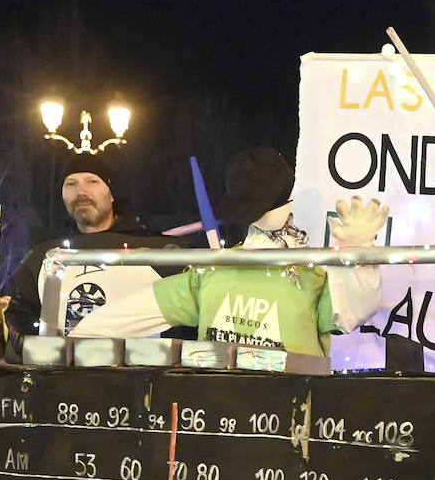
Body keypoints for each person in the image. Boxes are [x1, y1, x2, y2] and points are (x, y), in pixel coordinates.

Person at [72, 147, 384, 354]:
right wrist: (70, 347)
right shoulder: (212, 272)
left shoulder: (309, 275)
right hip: (219, 423)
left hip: (282, 424)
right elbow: (112, 321)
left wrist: (360, 256)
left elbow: (352, 310)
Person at [5, 166, 185, 350]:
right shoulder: (44, 255)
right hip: (66, 375)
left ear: (112, 193)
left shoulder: (156, 250)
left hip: (142, 374)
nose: (81, 191)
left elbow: (186, 317)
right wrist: (44, 351)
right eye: (71, 184)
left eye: (92, 181)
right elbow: (20, 315)